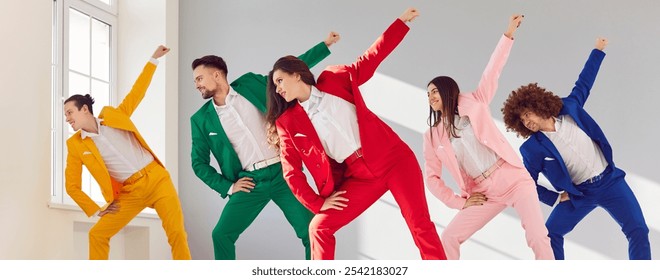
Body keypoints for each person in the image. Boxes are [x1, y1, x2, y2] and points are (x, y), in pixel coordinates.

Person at [265, 7, 446, 260]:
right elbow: (291, 172)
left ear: (297, 74)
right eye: (275, 86)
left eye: (280, 81)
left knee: (420, 225)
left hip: (394, 159)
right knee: (319, 227)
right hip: (360, 178)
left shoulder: (334, 79)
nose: (278, 88)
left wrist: (400, 24)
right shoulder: (289, 122)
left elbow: (369, 59)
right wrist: (317, 204)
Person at [190, 33, 338, 260]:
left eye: (200, 78)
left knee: (311, 231)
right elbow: (198, 163)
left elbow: (286, 76)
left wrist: (324, 46)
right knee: (221, 234)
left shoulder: (250, 83)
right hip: (250, 182)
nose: (197, 84)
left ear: (217, 75)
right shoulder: (201, 119)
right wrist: (228, 187)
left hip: (283, 174)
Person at [500, 37, 651, 260]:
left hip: (611, 182)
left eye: (527, 114)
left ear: (537, 105)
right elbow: (526, 183)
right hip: (580, 194)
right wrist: (553, 197)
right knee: (550, 234)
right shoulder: (532, 149)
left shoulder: (569, 107)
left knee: (638, 230)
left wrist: (597, 51)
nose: (526, 122)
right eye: (521, 120)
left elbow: (584, 83)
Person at [422, 15, 554, 260]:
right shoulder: (432, 135)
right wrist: (458, 202)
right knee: (449, 237)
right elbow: (431, 177)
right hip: (483, 192)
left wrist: (508, 34)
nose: (430, 97)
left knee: (537, 236)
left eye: (434, 91)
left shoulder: (475, 101)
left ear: (448, 89)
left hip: (513, 179)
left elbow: (492, 71)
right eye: (427, 94)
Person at [64, 45, 191, 260]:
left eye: (69, 112)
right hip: (129, 193)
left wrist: (153, 60)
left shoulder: (114, 115)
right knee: (97, 234)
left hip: (157, 179)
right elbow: (71, 186)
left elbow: (137, 93)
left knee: (176, 233)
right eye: (65, 115)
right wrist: (95, 209)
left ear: (84, 109)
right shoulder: (75, 145)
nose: (67, 118)